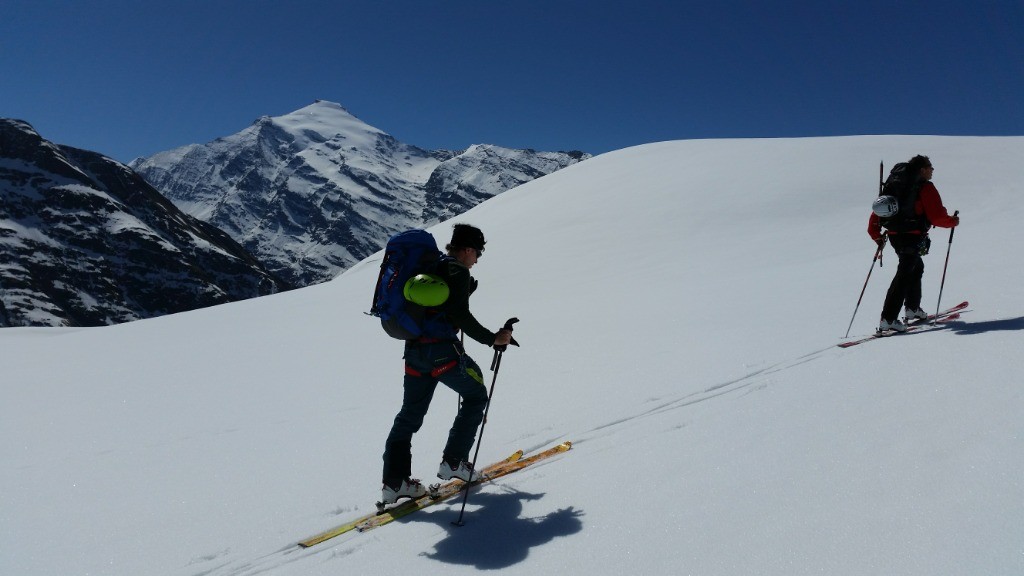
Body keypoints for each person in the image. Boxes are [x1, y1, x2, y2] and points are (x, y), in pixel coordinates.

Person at [380, 223, 514, 505]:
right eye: (477, 253)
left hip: (414, 352)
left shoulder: (436, 267)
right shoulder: (458, 271)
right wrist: (493, 339)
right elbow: (461, 316)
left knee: (409, 416)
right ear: (467, 249)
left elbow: (438, 309)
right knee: (477, 396)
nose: (477, 259)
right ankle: (454, 462)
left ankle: (395, 482)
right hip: (441, 352)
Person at [868, 155, 959, 332]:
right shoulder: (924, 186)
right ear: (922, 169)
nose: (932, 170)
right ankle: (888, 318)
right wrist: (952, 221)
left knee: (915, 267)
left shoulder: (894, 184)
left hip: (894, 235)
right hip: (913, 235)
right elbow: (936, 216)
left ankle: (912, 309)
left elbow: (878, 209)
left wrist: (875, 234)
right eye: (930, 167)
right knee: (904, 273)